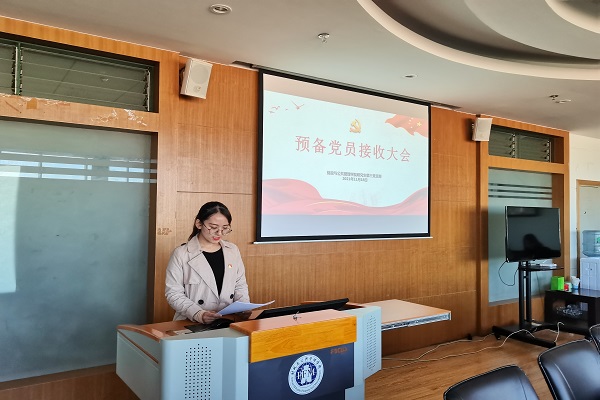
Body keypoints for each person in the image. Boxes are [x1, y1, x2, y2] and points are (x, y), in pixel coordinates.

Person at [165, 201, 249, 324]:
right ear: (199, 224)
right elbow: (174, 294)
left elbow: (240, 285)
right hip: (192, 322)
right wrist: (198, 314)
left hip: (229, 320)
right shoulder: (181, 254)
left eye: (225, 228)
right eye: (213, 227)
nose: (219, 233)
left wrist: (244, 306)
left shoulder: (232, 250)